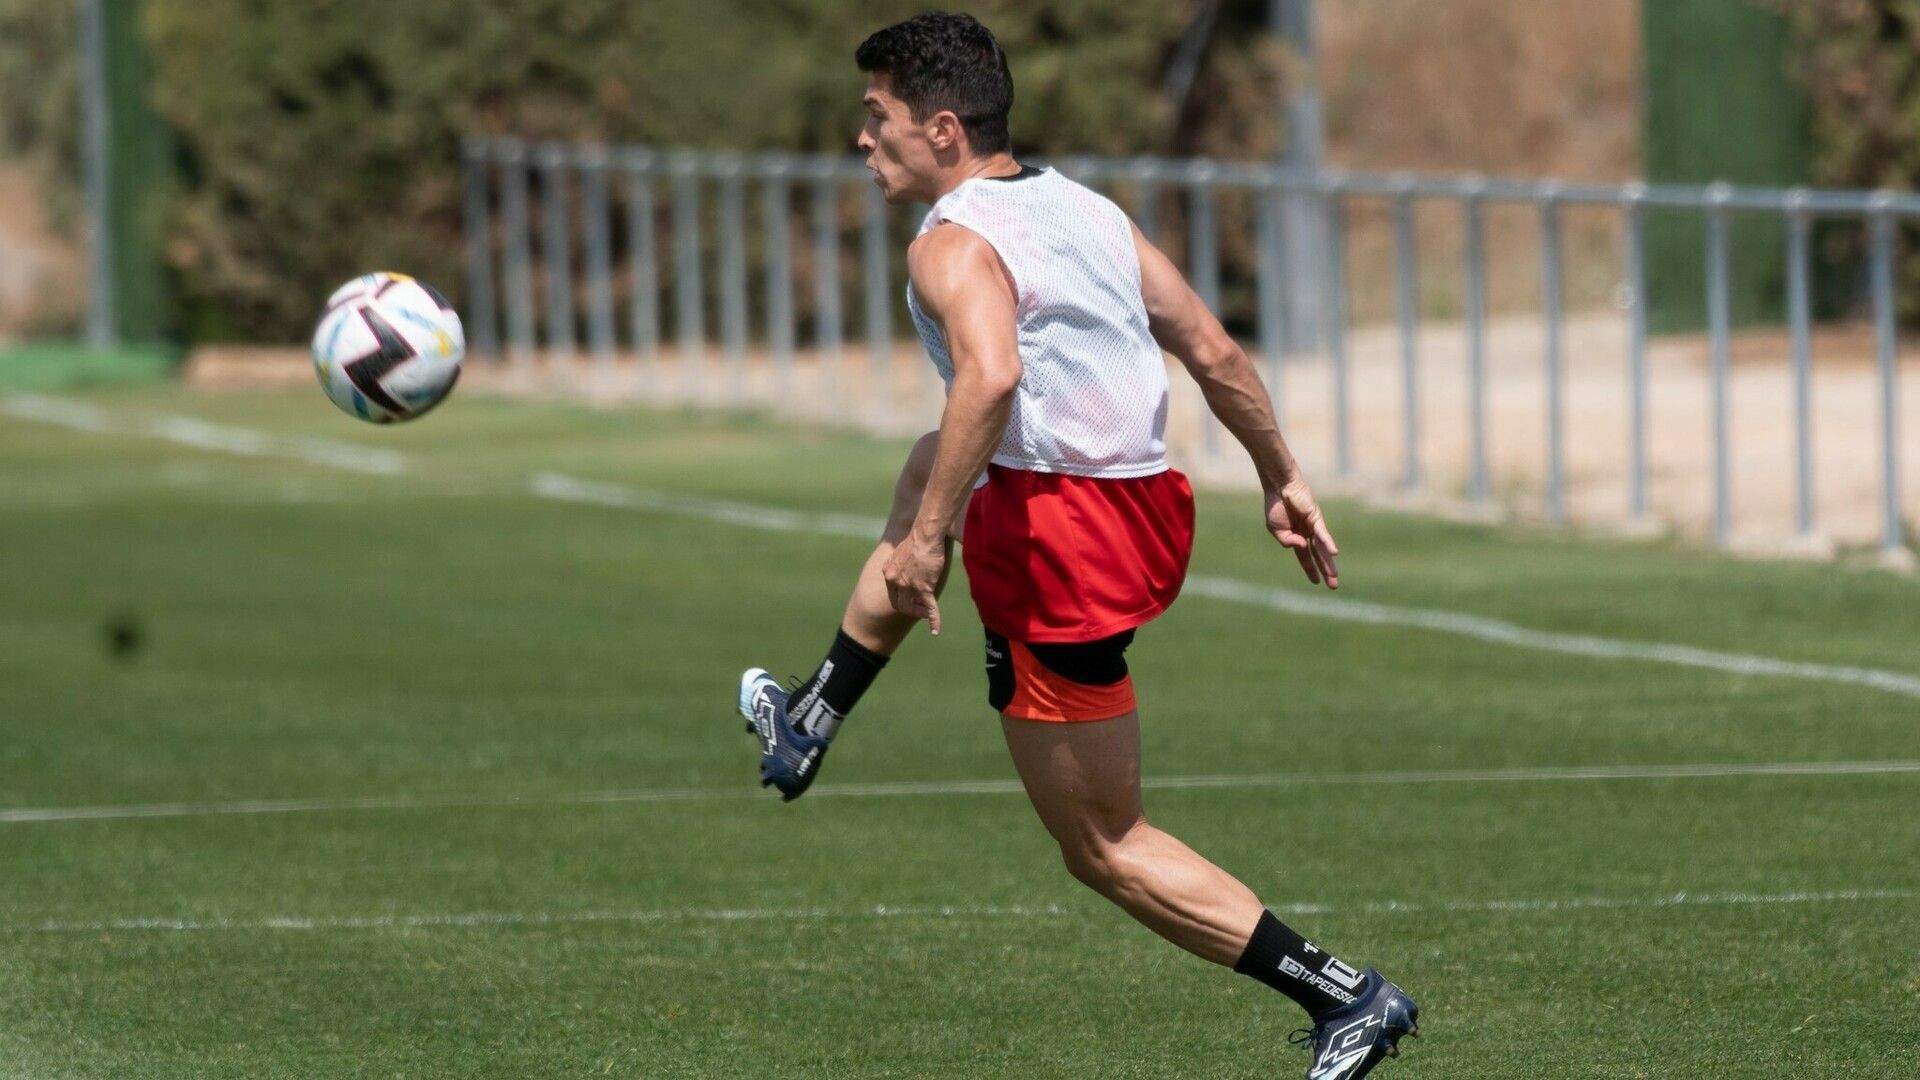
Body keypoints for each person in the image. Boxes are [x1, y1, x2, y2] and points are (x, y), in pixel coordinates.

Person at [734, 13, 1418, 1078]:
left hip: (1060, 542)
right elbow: (1213, 348)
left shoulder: (949, 244)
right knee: (931, 461)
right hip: (1140, 509)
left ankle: (1347, 997)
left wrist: (928, 545)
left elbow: (993, 376)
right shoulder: (1085, 209)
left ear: (943, 129)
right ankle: (811, 715)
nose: (862, 139)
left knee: (1104, 845)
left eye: (878, 117)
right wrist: (1281, 473)